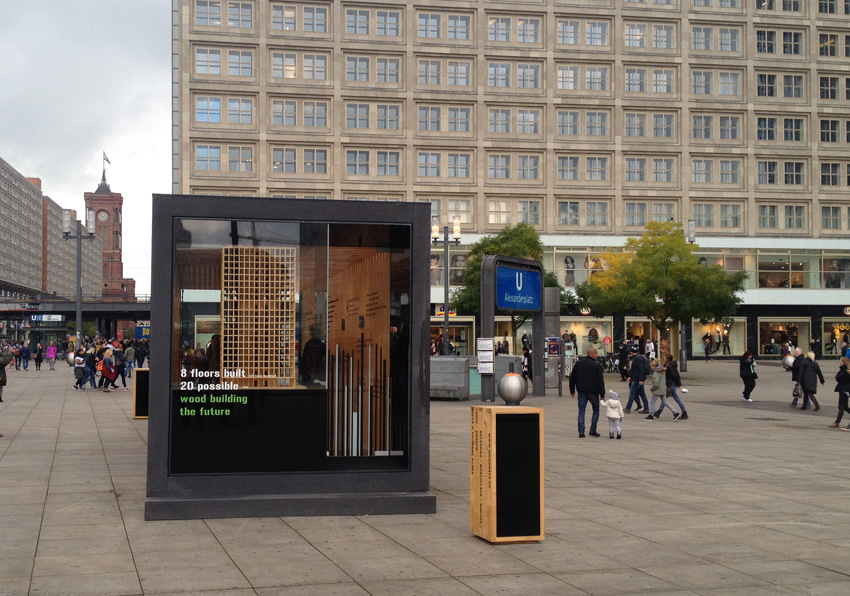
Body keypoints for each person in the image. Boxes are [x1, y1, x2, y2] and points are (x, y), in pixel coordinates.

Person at [569, 347, 606, 438]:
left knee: (582, 411)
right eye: (596, 354)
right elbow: (600, 381)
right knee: (596, 410)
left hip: (581, 391)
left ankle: (581, 432)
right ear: (592, 354)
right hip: (593, 392)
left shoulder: (578, 364)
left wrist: (572, 390)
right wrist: (602, 394)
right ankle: (593, 430)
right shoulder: (597, 366)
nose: (597, 355)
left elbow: (572, 377)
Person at [663, 353, 688, 420]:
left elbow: (675, 376)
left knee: (664, 399)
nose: (663, 358)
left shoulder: (670, 366)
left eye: (664, 357)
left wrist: (679, 385)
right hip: (671, 384)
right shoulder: (668, 365)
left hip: (671, 385)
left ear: (667, 358)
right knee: (676, 399)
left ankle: (659, 412)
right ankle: (684, 412)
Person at [625, 347, 650, 414]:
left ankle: (628, 408)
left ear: (632, 352)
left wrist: (641, 379)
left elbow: (640, 369)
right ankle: (646, 407)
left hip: (637, 379)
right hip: (637, 378)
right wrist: (630, 376)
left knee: (632, 393)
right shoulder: (637, 357)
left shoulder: (638, 358)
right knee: (642, 393)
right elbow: (634, 369)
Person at [829, 356, 850, 429]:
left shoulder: (846, 371)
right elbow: (837, 377)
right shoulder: (843, 370)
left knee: (841, 407)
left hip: (845, 389)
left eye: (841, 361)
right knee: (845, 407)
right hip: (843, 389)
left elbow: (838, 378)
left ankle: (837, 422)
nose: (840, 362)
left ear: (844, 363)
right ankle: (837, 422)